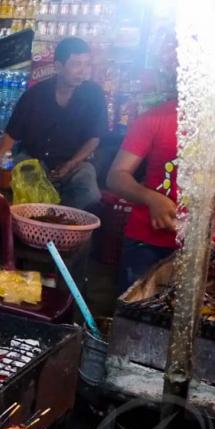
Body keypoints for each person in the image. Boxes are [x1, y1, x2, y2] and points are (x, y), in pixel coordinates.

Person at [0, 37, 107, 211]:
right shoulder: (35, 95)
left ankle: (65, 229)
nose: (83, 72)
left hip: (75, 162)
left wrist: (70, 164)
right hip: (34, 160)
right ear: (59, 67)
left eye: (87, 65)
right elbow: (11, 135)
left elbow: (94, 138)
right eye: (77, 65)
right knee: (18, 189)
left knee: (89, 193)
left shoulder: (94, 94)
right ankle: (28, 229)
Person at [107, 30, 179, 294]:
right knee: (137, 324)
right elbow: (116, 175)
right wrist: (151, 198)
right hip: (148, 243)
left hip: (205, 248)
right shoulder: (154, 119)